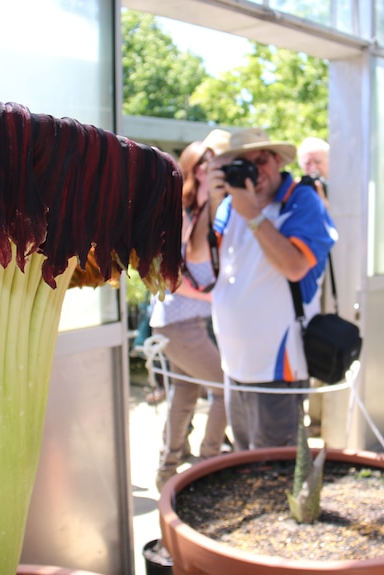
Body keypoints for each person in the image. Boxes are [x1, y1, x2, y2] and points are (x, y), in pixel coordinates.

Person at [208, 128, 337, 451]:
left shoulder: (302, 200)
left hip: (277, 367)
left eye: (260, 160)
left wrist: (251, 212)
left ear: (278, 160)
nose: (253, 170)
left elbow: (294, 266)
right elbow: (200, 260)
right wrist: (210, 200)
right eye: (243, 163)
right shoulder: (228, 204)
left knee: (274, 471)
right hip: (234, 363)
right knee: (243, 463)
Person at [150, 130, 231, 491]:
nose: (208, 169)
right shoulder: (181, 215)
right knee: (226, 390)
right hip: (177, 323)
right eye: (202, 163)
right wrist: (219, 299)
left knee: (184, 395)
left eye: (214, 164)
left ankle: (168, 470)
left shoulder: (210, 214)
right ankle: (209, 461)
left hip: (184, 323)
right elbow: (170, 277)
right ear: (190, 168)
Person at [297, 136, 329, 206]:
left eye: (318, 162)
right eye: (307, 163)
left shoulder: (341, 187)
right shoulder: (297, 189)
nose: (313, 168)